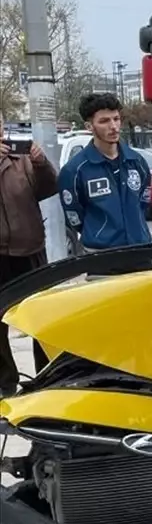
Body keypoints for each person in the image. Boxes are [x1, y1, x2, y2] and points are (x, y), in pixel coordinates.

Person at [58, 93, 152, 269]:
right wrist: (100, 233)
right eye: (104, 121)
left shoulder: (137, 161)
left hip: (140, 252)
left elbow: (143, 201)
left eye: (116, 119)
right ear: (89, 126)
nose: (113, 126)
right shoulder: (75, 170)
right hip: (101, 257)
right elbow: (74, 216)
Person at [1, 130, 56, 396]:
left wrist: (41, 163)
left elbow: (48, 189)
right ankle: (5, 383)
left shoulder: (19, 158)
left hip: (30, 248)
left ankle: (46, 378)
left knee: (41, 316)